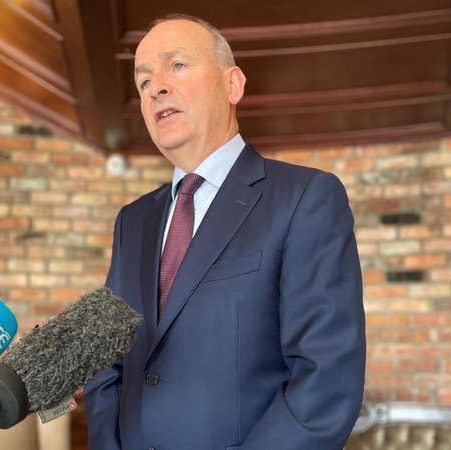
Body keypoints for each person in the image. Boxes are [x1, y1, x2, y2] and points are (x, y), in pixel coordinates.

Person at [84, 13, 365, 450]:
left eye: (176, 66)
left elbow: (325, 380)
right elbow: (107, 362)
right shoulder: (132, 221)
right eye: (143, 81)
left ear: (233, 85)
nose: (155, 86)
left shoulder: (305, 198)